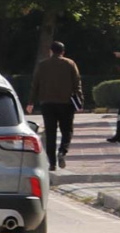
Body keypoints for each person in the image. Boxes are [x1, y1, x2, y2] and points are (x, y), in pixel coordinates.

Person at [27, 41, 83, 172]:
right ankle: (62, 151)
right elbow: (77, 83)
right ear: (63, 52)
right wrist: (80, 102)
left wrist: (30, 102)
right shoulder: (70, 64)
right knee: (67, 130)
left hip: (47, 103)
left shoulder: (42, 65)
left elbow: (35, 84)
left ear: (50, 51)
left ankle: (52, 163)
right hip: (66, 103)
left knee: (50, 133)